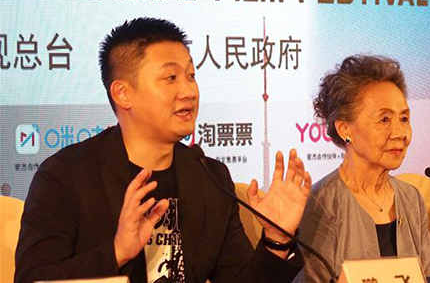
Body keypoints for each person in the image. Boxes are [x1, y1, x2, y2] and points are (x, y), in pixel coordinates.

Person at [15, 17, 312, 283]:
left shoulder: (210, 176)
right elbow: (32, 278)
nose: (189, 91)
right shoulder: (66, 176)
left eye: (191, 76)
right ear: (123, 93)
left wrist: (276, 239)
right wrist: (117, 251)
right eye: (171, 78)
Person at [297, 55, 430, 282]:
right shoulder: (322, 203)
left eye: (404, 119)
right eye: (384, 120)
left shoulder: (411, 199)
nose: (400, 133)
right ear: (345, 129)